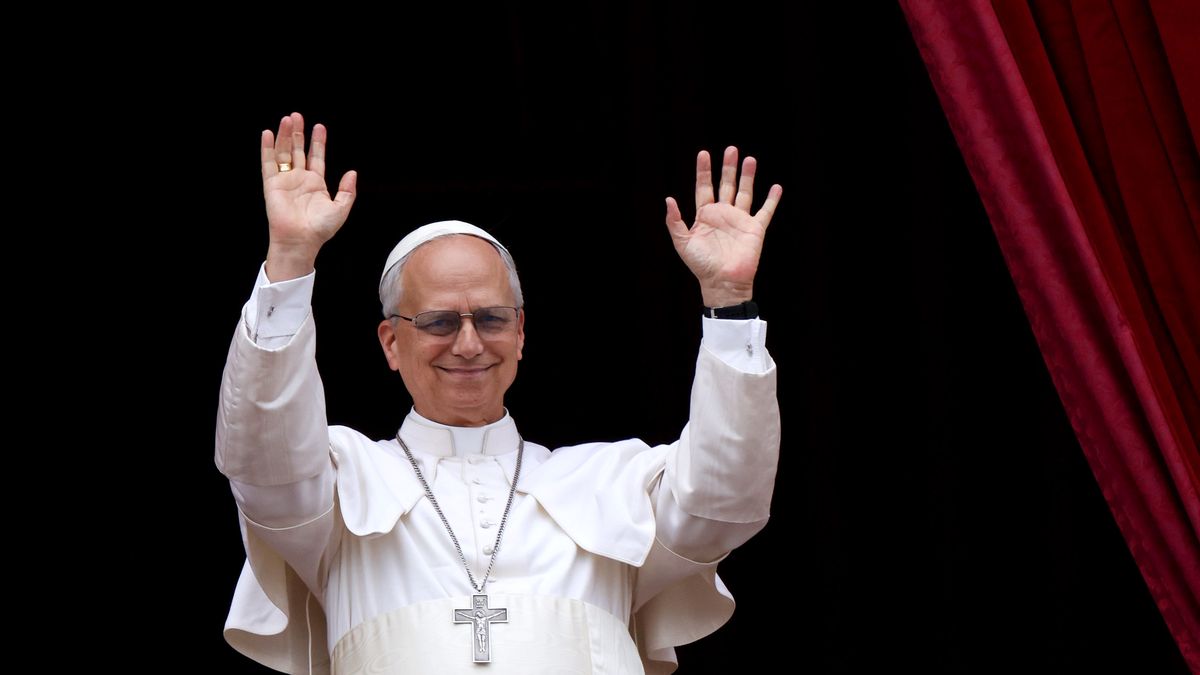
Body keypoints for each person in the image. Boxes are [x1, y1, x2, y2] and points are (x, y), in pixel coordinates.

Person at [216, 112, 783, 674]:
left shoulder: (614, 482)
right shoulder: (341, 481)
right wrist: (289, 262)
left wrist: (729, 300)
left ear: (519, 334)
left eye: (490, 319)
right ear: (391, 342)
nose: (467, 344)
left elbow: (727, 498)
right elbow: (265, 457)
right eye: (439, 322)